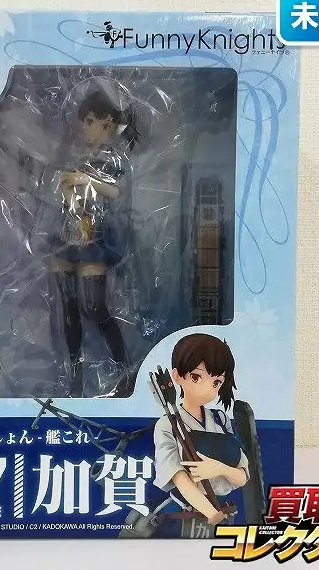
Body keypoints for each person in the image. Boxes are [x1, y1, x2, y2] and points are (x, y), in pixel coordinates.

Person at [50, 89, 138, 397]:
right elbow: (66, 198)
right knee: (68, 306)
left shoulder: (111, 160)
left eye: (92, 121)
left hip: (95, 236)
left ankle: (125, 367)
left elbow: (116, 192)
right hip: (68, 232)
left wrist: (86, 180)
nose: (86, 128)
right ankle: (73, 372)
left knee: (94, 306)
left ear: (109, 123)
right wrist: (68, 191)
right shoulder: (77, 157)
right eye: (85, 121)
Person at [153, 333, 250, 525]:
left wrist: (218, 468)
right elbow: (178, 477)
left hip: (225, 509)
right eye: (196, 377)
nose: (208, 389)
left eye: (216, 382)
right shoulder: (167, 424)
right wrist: (212, 514)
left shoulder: (220, 419)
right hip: (185, 512)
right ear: (177, 376)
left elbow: (242, 476)